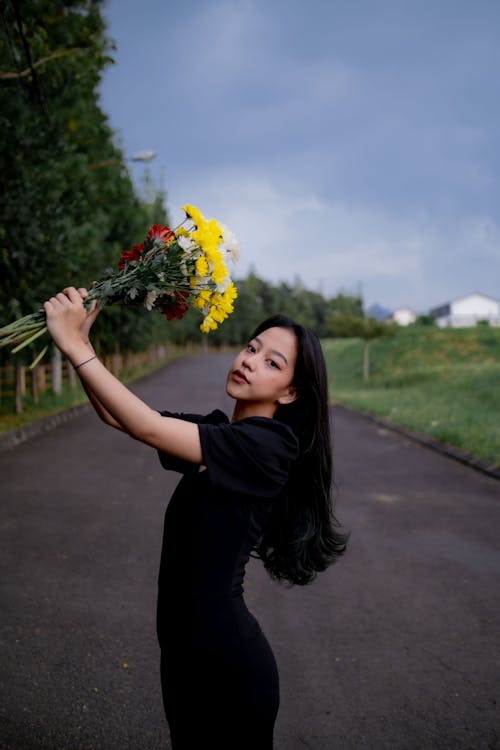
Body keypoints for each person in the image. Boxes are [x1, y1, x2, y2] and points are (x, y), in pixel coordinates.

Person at [44, 286, 348, 749]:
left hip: (226, 667)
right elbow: (121, 418)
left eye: (273, 362)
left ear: (291, 393)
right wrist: (79, 343)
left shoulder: (268, 448)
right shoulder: (221, 433)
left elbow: (143, 422)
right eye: (252, 347)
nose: (249, 360)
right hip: (185, 656)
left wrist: (77, 347)